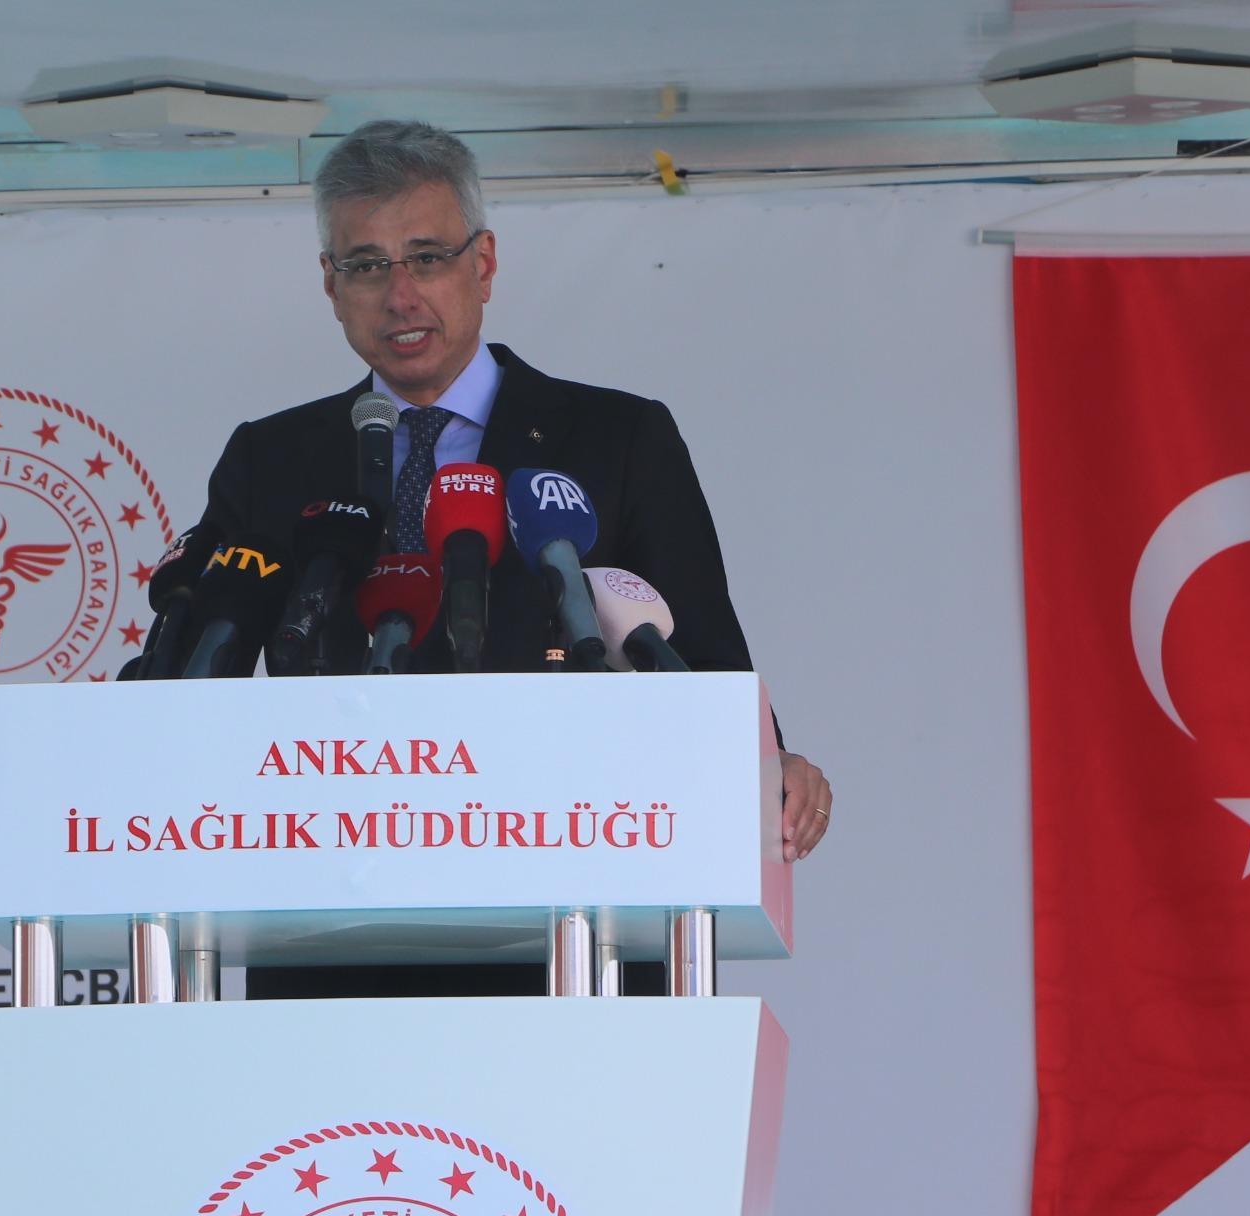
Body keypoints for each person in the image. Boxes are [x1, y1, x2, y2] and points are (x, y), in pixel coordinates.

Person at [186, 118, 834, 996]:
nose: (400, 295)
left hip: (578, 927)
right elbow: (205, 664)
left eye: (427, 257)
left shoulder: (616, 439)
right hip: (333, 933)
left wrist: (767, 763)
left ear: (483, 264)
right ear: (330, 285)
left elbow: (702, 652)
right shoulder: (274, 459)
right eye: (367, 266)